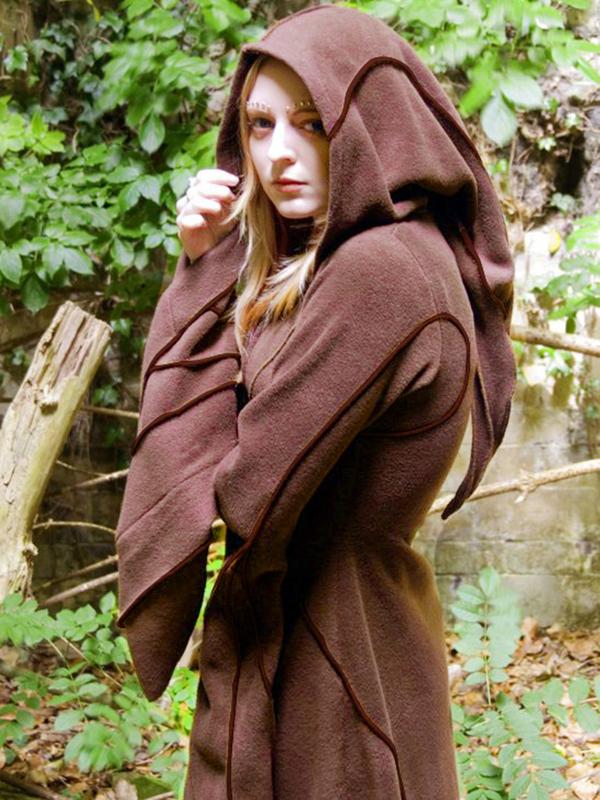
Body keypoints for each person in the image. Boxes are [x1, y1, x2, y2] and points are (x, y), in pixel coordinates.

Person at [115, 5, 516, 799]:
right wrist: (210, 261)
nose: (278, 154)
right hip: (342, 647)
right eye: (259, 125)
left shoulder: (380, 275)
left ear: (367, 119)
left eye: (311, 123)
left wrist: (202, 281)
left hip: (333, 676)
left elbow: (244, 491)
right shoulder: (373, 257)